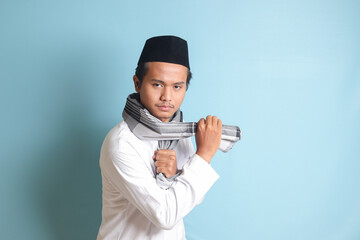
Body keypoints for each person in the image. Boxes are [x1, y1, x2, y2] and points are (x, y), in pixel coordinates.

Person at [97, 35, 239, 240]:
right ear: (137, 83)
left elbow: (192, 197)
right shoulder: (121, 143)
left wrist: (176, 175)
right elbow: (164, 215)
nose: (167, 97)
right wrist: (204, 155)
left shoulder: (176, 132)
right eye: (157, 84)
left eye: (177, 86)